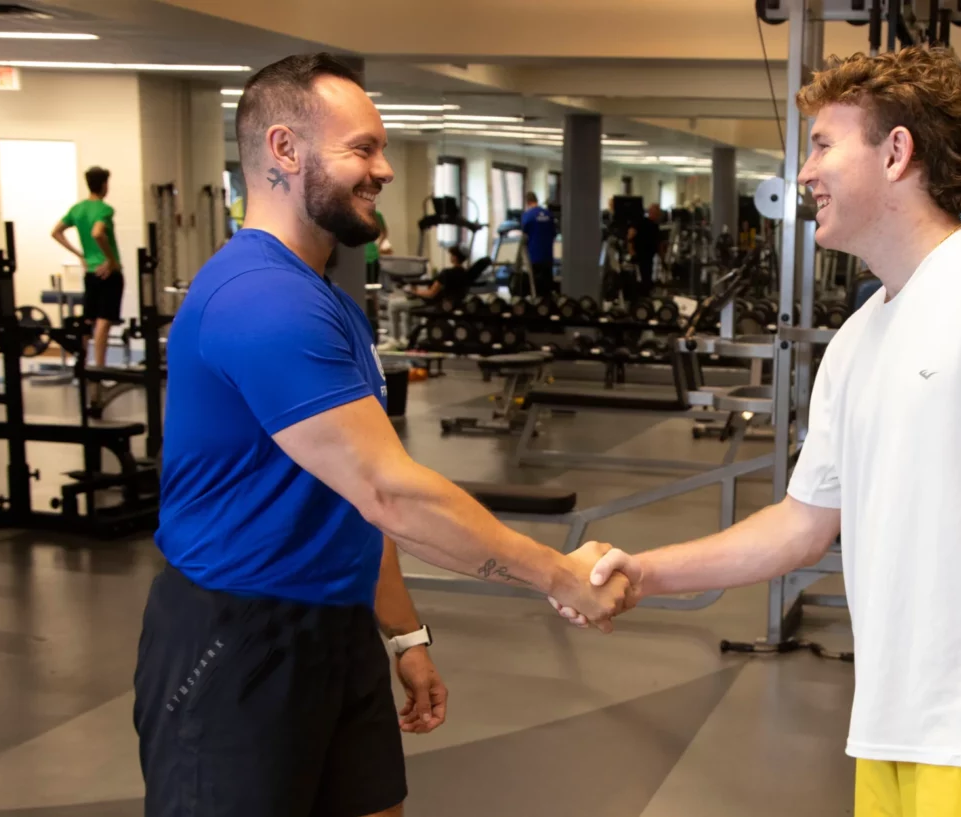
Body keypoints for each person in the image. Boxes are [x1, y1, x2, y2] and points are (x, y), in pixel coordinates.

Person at [554, 45, 961, 817]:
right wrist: (644, 572)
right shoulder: (858, 337)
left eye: (823, 145)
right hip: (888, 733)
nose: (804, 173)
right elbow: (802, 525)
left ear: (896, 151)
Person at [134, 53, 636, 817]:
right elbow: (390, 492)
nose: (384, 170)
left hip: (335, 627)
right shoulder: (259, 298)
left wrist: (401, 637)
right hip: (237, 639)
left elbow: (358, 497)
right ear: (283, 149)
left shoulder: (322, 297)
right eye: (362, 149)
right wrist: (558, 575)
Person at [51, 166, 122, 369]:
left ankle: (81, 365)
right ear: (103, 185)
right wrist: (111, 260)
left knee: (88, 320)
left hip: (90, 272)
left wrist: (80, 255)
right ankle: (100, 369)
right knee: (103, 322)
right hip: (108, 273)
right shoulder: (104, 209)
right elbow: (98, 233)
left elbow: (56, 232)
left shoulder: (78, 209)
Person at [383, 245, 473, 348]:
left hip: (432, 303)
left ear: (455, 257)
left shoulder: (447, 273)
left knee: (393, 304)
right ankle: (406, 339)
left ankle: (394, 339)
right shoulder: (464, 274)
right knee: (406, 307)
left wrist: (415, 291)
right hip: (448, 303)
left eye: (451, 255)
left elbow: (430, 294)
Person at [518, 191, 557, 296]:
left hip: (534, 255)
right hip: (548, 255)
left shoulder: (527, 215)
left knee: (535, 285)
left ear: (527, 202)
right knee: (547, 284)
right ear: (536, 200)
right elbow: (554, 233)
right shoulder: (549, 214)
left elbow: (524, 234)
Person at [625, 202, 662, 302]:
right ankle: (640, 296)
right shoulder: (641, 222)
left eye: (657, 213)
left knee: (647, 275)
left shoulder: (655, 226)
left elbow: (657, 243)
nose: (656, 215)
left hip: (649, 255)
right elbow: (630, 237)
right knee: (640, 276)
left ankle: (646, 295)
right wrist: (631, 251)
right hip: (639, 254)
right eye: (654, 212)